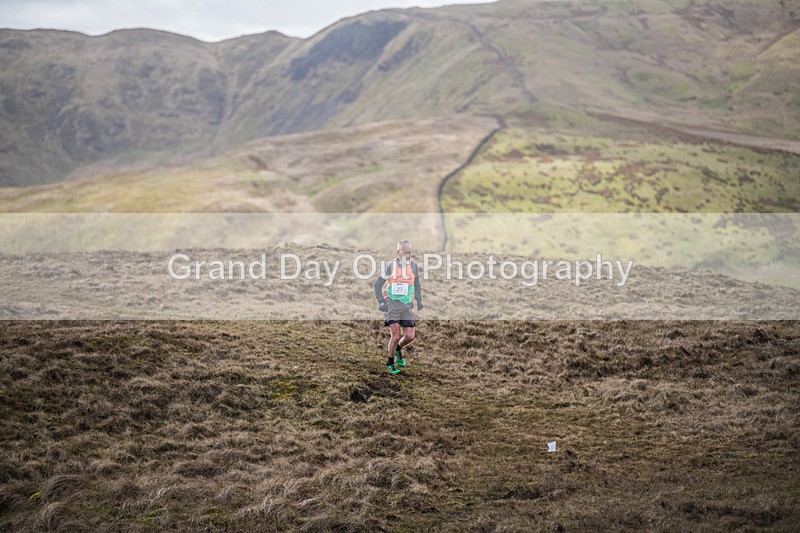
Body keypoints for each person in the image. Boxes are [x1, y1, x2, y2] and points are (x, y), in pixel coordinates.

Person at [374, 240, 423, 375]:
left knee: (409, 336)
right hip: (391, 304)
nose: (408, 255)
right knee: (395, 337)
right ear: (398, 252)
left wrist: (419, 300)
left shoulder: (413, 265)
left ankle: (398, 350)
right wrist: (381, 302)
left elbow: (417, 284)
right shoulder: (391, 266)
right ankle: (390, 363)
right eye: (405, 253)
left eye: (410, 253)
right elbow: (377, 285)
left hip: (406, 305)